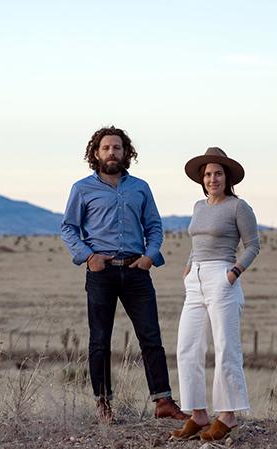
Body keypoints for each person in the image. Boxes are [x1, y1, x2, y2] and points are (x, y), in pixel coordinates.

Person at [61, 126, 189, 424]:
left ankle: (163, 401)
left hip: (135, 271)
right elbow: (69, 227)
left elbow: (154, 226)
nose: (112, 152)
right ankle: (103, 403)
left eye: (117, 147)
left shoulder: (140, 188)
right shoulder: (82, 189)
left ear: (126, 152)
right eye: (106, 148)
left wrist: (150, 256)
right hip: (101, 272)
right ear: (96, 153)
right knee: (100, 340)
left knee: (151, 337)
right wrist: (89, 257)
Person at [170, 147, 260, 441]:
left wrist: (234, 272)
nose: (212, 179)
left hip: (222, 277)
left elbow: (253, 245)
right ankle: (198, 414)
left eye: (218, 174)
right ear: (202, 179)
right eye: (208, 174)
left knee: (225, 346)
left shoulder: (238, 207)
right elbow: (196, 243)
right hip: (195, 279)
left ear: (227, 177)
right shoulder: (199, 206)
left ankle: (227, 416)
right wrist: (188, 269)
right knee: (187, 346)